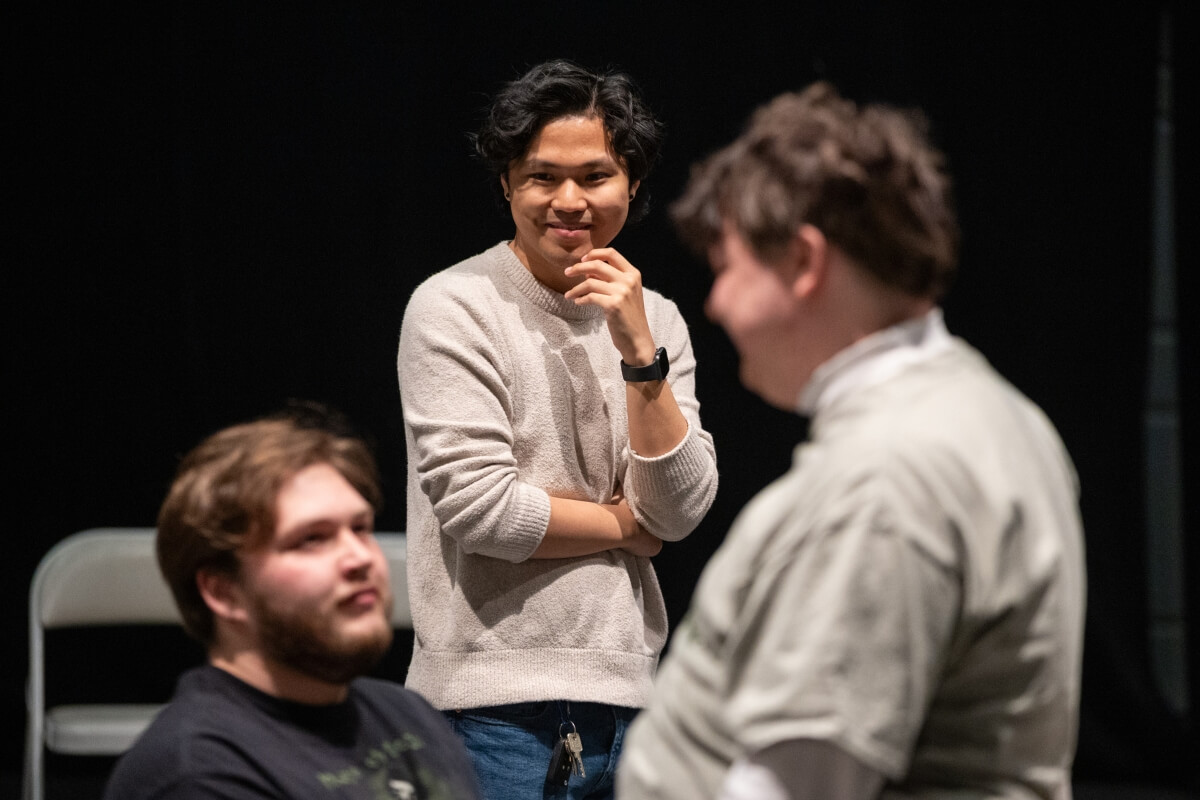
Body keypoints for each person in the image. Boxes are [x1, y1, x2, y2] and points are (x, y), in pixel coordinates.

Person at [617, 83, 1086, 800]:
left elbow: (797, 784)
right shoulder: (1001, 414)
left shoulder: (883, 479)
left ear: (804, 263)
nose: (714, 303)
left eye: (729, 267)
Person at [397, 59, 718, 800]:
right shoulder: (454, 307)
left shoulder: (657, 318)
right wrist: (623, 526)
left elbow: (678, 511)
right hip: (490, 708)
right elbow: (484, 512)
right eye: (542, 177)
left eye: (596, 176)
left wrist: (641, 358)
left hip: (632, 697)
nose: (568, 201)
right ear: (508, 183)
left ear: (632, 185)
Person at [103, 411, 483, 800]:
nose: (360, 558)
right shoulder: (197, 774)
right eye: (312, 539)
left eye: (360, 529)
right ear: (224, 592)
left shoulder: (409, 715)